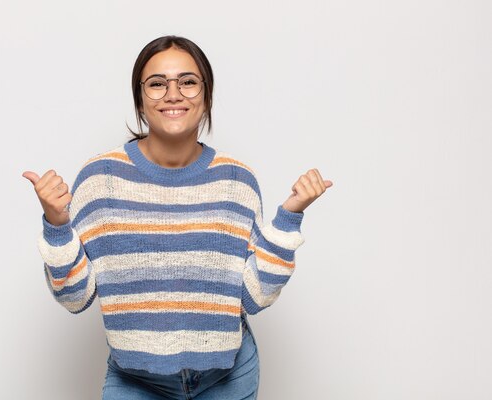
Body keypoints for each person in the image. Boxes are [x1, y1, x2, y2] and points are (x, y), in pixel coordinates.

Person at [22, 35, 332, 399]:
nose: (173, 94)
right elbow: (75, 298)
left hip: (228, 379)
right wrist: (57, 225)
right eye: (157, 84)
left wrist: (288, 218)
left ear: (206, 95)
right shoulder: (99, 180)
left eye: (187, 81)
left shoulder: (236, 181)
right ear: (140, 99)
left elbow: (253, 297)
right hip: (136, 381)